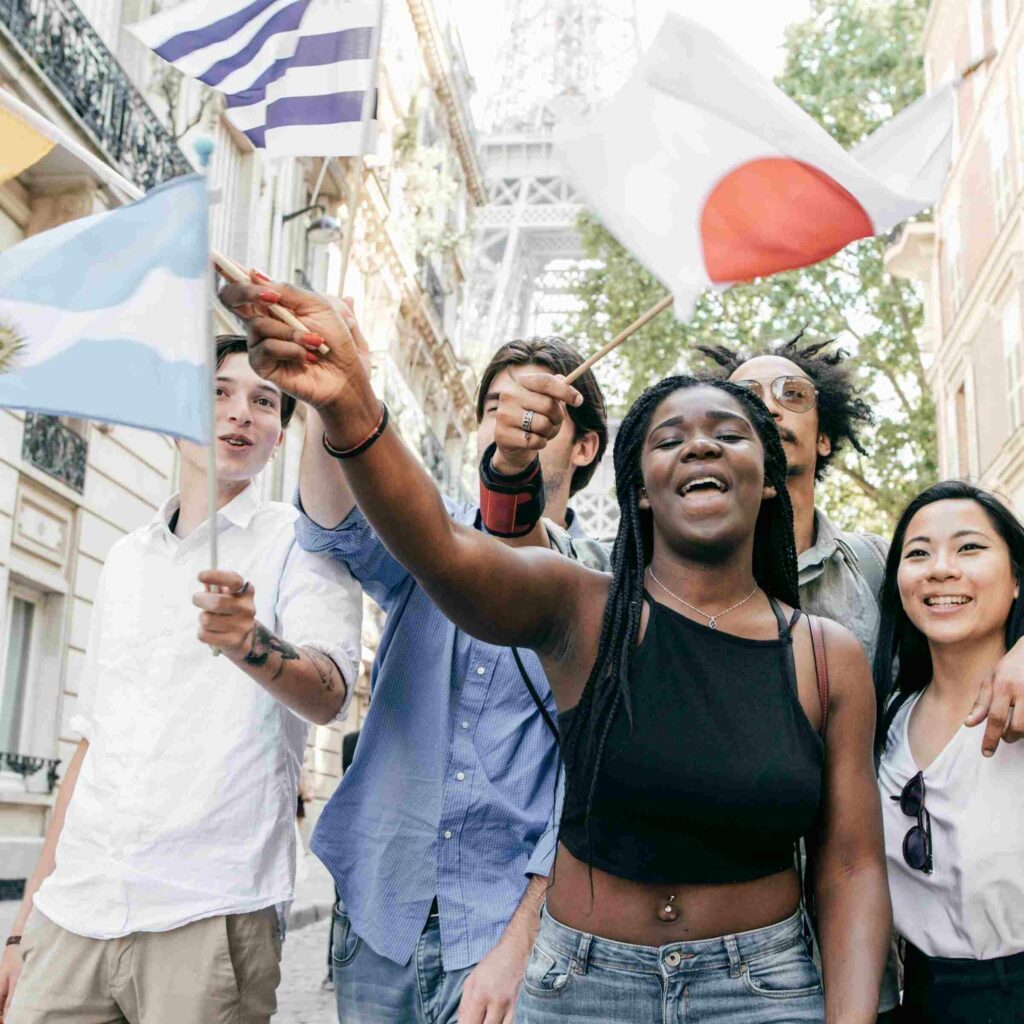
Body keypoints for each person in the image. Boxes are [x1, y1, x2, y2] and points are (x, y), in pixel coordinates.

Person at [222, 278, 892, 1023]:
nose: (700, 442)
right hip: (583, 989)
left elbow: (853, 865)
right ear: (640, 490)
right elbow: (446, 549)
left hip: (761, 993)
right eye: (669, 438)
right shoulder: (583, 609)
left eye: (729, 434)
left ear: (768, 480)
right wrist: (347, 400)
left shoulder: (830, 657)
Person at [220, 278, 610, 1024]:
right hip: (381, 913)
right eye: (497, 405)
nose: (514, 423)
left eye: (540, 410)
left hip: (506, 928)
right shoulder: (427, 535)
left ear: (585, 443)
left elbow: (585, 791)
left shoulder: (606, 588)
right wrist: (338, 396)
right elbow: (331, 523)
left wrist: (522, 940)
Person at [0, 336, 362, 1024]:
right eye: (219, 393)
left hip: (210, 914)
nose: (240, 414)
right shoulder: (125, 560)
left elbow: (331, 694)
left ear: (281, 436)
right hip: (75, 910)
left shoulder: (303, 543)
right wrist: (24, 922)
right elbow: (91, 746)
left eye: (264, 401)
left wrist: (250, 645)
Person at [701, 334, 1024, 755]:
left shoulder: (884, 566)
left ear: (824, 437)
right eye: (747, 397)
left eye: (792, 394)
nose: (769, 407)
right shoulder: (644, 565)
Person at [875, 481, 1024, 1023]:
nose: (940, 569)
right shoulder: (888, 717)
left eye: (969, 548)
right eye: (918, 553)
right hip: (923, 997)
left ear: (1016, 580)